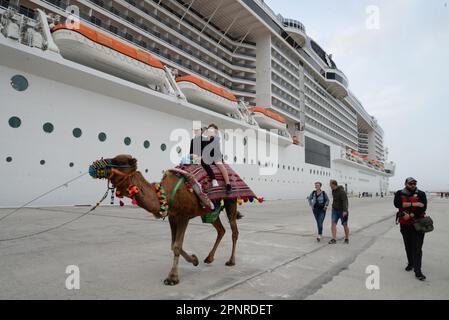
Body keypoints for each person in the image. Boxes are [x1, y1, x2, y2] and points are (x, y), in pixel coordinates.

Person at [394, 177, 427, 281]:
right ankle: (411, 263)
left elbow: (423, 207)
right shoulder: (399, 193)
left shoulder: (421, 194)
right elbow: (397, 204)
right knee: (408, 246)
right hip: (404, 224)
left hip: (418, 224)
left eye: (414, 183)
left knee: (417, 248)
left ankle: (418, 271)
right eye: (410, 183)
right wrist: (414, 204)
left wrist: (411, 214)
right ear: (406, 184)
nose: (413, 185)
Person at [203, 123, 232, 194]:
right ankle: (212, 180)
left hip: (216, 156)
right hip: (208, 157)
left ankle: (228, 184)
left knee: (220, 166)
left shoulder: (215, 139)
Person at [329, 180, 349, 244]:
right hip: (335, 210)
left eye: (330, 185)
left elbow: (345, 201)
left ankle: (347, 238)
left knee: (345, 225)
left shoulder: (342, 191)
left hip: (342, 211)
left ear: (333, 184)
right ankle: (334, 239)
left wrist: (345, 211)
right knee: (333, 224)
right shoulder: (333, 191)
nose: (330, 186)